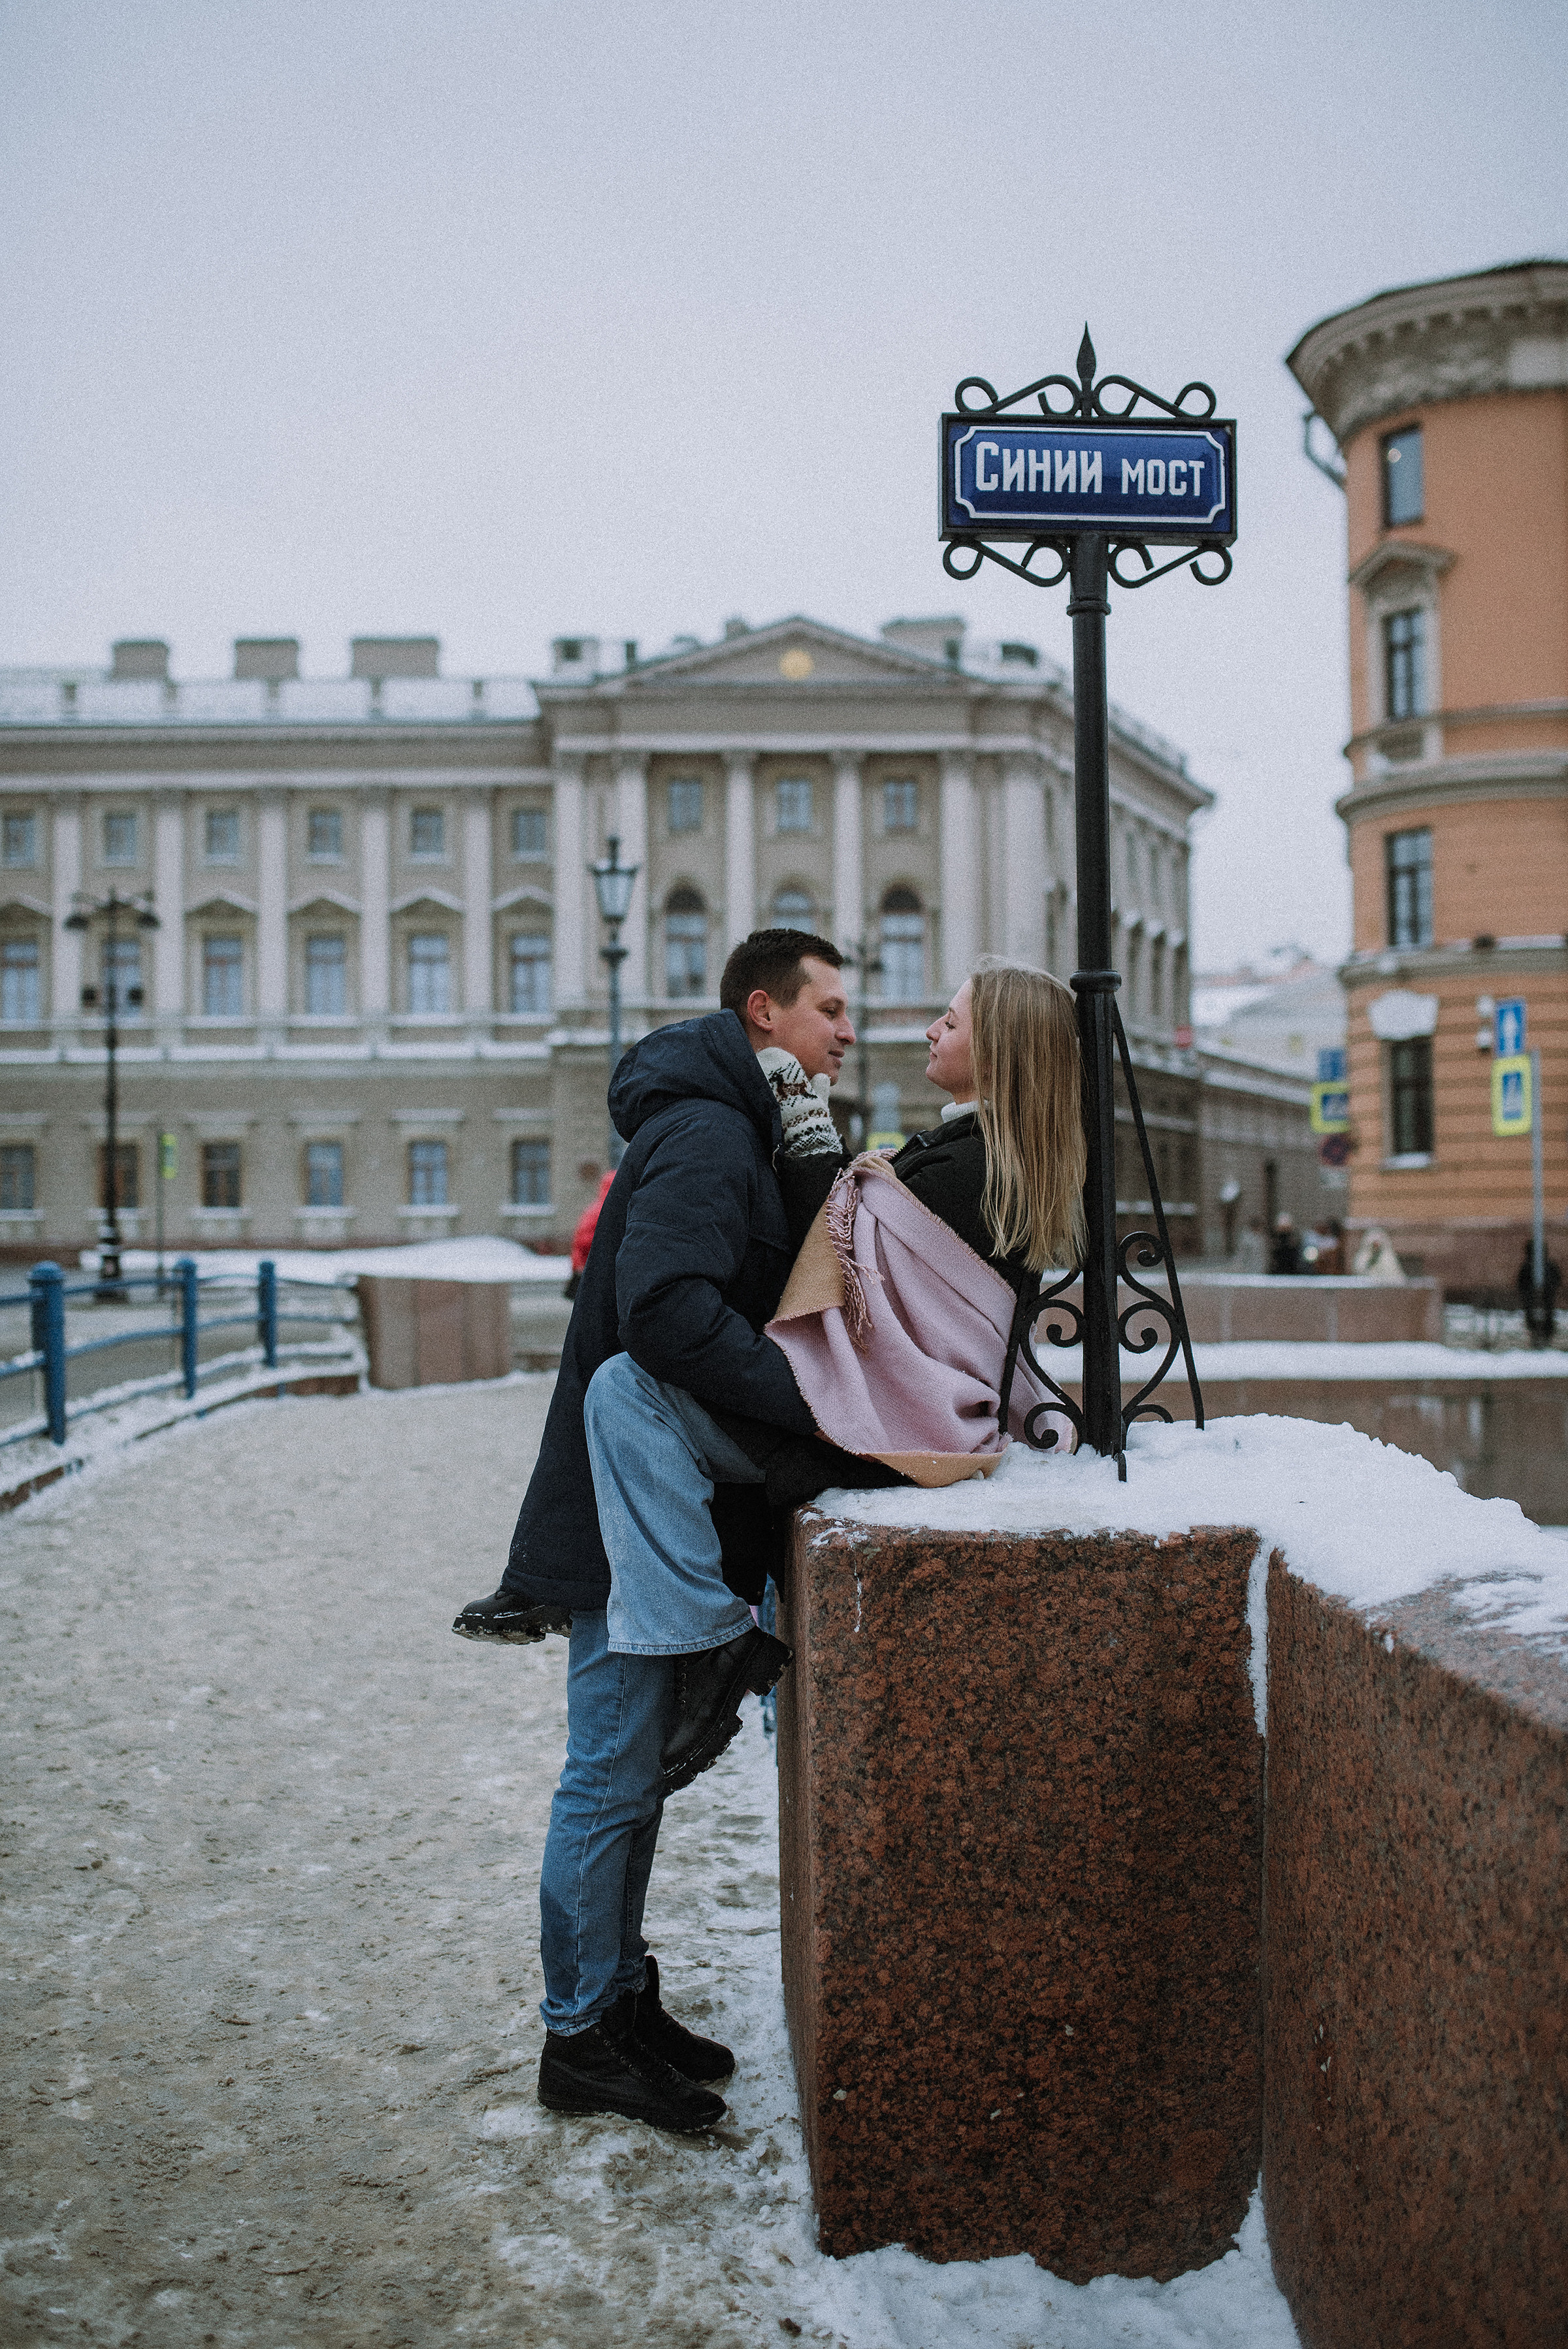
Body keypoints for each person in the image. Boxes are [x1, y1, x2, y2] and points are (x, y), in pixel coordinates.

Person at [452, 930, 855, 2137]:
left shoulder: (737, 1122)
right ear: (762, 1013)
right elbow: (667, 1314)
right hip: (627, 1505)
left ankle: (616, 2002)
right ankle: (581, 2039)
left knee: (630, 1780)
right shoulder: (709, 1130)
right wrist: (820, 1404)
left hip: (642, 1499)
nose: (847, 1030)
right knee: (610, 1775)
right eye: (828, 1008)